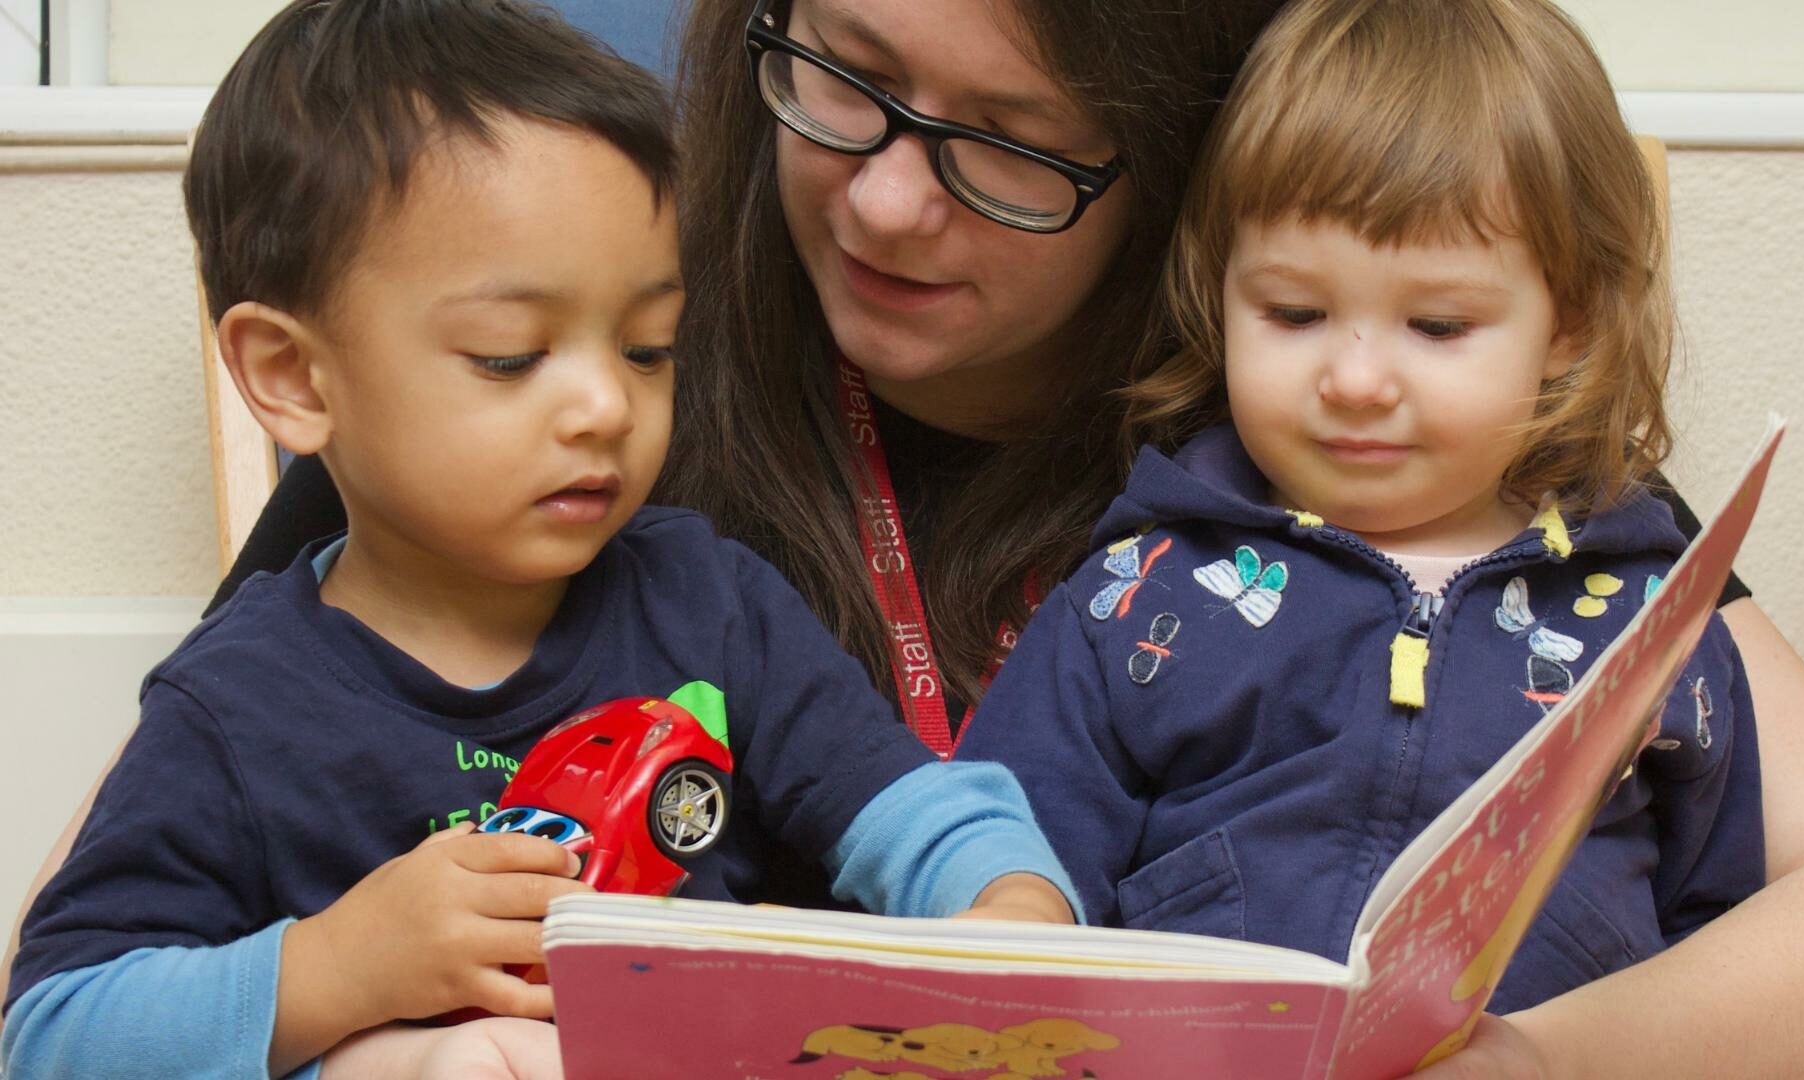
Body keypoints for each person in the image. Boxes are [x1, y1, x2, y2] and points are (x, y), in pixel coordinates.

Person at [10, 0, 1804, 1074]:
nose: (893, 201)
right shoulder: (588, 339)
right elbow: (172, 914)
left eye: (1005, 144)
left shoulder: (1359, 418)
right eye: (841, 74)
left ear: (1182, 186)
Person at [0, 2, 1078, 1077]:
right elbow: (55, 1036)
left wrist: (1006, 900)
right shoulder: (234, 708)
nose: (604, 405)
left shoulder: (710, 600)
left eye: (650, 348)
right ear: (292, 377)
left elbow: (907, 810)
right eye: (512, 357)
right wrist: (341, 970)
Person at [961, 0, 1754, 1013]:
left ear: (1573, 321)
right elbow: (1005, 856)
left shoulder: (1652, 617)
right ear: (1221, 290)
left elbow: (1723, 924)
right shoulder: (1139, 589)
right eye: (1293, 313)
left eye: (1436, 324)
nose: (1356, 379)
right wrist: (1009, 919)